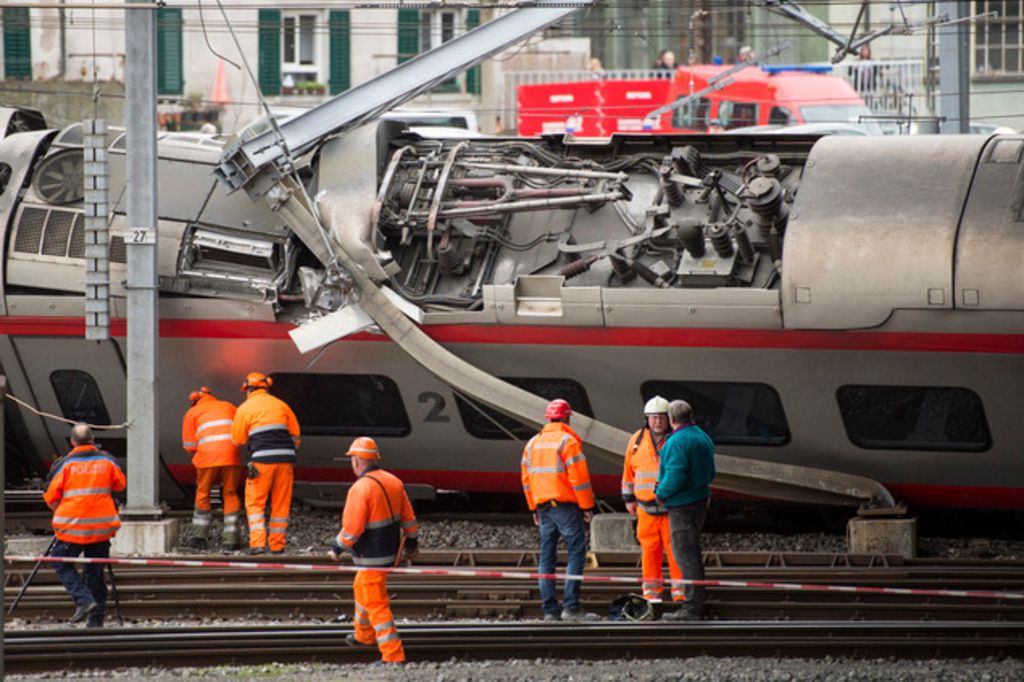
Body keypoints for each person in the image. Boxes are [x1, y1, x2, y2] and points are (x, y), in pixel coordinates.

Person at [330, 437, 418, 664]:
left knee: (376, 603)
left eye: (352, 460)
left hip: (371, 555)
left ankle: (393, 654)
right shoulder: (394, 482)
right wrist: (412, 543)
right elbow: (409, 518)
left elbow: (353, 527)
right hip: (389, 552)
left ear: (358, 461)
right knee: (361, 586)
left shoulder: (360, 488)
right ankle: (364, 635)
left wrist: (337, 548)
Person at [520, 398, 599, 621]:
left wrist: (532, 508)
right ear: (566, 417)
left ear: (548, 418)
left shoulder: (533, 443)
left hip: (543, 508)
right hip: (565, 507)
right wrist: (587, 506)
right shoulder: (568, 442)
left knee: (547, 558)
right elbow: (579, 479)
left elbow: (526, 480)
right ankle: (571, 607)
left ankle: (550, 611)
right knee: (576, 553)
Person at [43, 423, 126, 628]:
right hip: (101, 527)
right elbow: (120, 486)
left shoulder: (65, 464)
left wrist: (62, 512)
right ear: (92, 439)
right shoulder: (107, 460)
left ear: (72, 441)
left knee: (60, 562)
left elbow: (50, 496)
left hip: (72, 527)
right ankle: (96, 621)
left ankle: (84, 600)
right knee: (95, 571)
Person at [655, 399, 715, 621]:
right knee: (693, 552)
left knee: (685, 555)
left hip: (682, 504)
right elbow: (711, 472)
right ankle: (697, 598)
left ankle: (691, 608)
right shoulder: (703, 437)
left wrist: (661, 493)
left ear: (671, 419)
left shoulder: (677, 442)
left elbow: (675, 474)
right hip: (700, 499)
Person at [621, 396, 685, 603]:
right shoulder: (636, 441)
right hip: (645, 508)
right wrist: (628, 498)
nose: (657, 421)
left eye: (661, 417)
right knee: (649, 552)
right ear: (647, 419)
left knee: (675, 551)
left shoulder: (676, 440)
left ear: (669, 419)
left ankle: (680, 594)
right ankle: (651, 594)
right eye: (653, 417)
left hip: (670, 508)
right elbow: (628, 473)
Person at [231, 372, 301, 555]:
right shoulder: (281, 404)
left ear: (248, 390)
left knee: (255, 503)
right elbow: (296, 435)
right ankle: (277, 545)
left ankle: (258, 544)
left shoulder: (245, 408)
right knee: (281, 501)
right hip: (286, 460)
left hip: (262, 460)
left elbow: (238, 440)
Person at [182, 386, 243, 551]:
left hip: (207, 457)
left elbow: (189, 446)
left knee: (203, 493)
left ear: (194, 401)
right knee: (230, 493)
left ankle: (199, 537)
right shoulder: (229, 406)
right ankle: (232, 539)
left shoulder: (192, 413)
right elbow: (242, 430)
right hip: (231, 456)